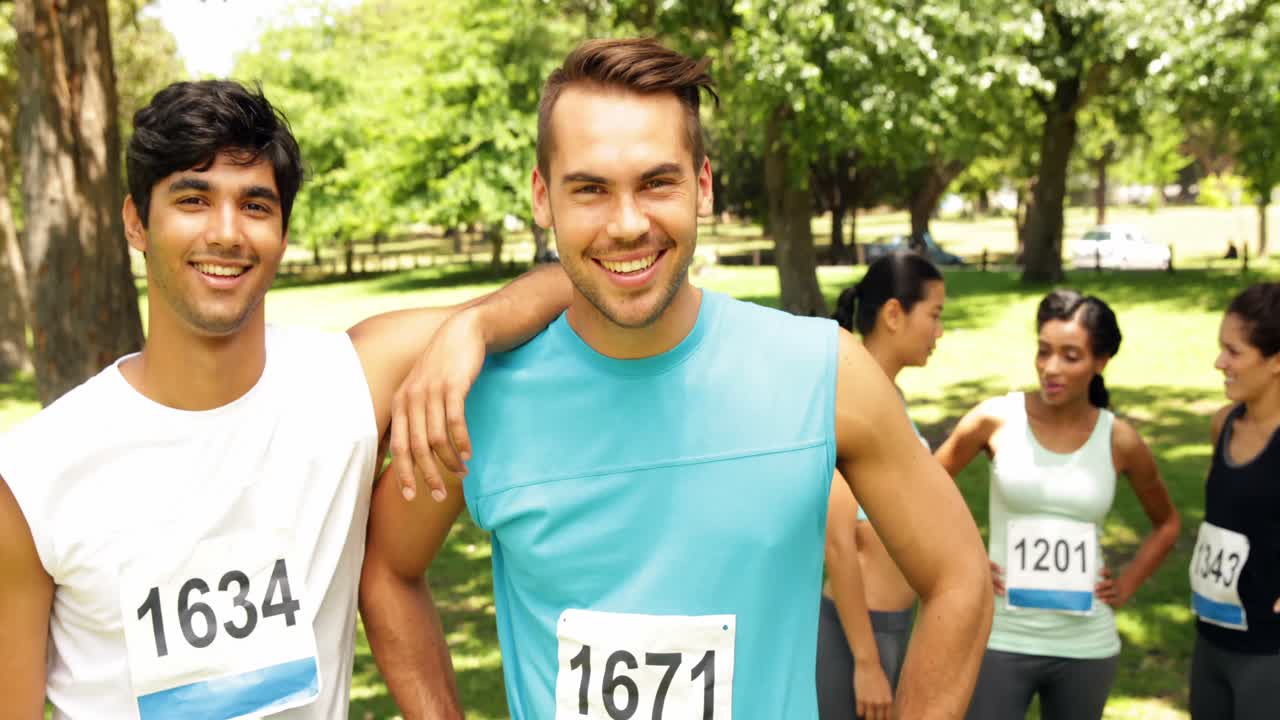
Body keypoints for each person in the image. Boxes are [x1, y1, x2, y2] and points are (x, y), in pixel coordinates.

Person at [360, 38, 992, 720]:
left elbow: (959, 579)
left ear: (704, 186)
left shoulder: (825, 371)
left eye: (657, 183)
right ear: (543, 199)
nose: (628, 224)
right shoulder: (480, 396)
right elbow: (390, 572)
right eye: (591, 189)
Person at [0, 80, 570, 719]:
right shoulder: (33, 476)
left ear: (283, 230)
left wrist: (474, 326)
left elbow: (568, 280)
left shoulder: (347, 386)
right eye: (192, 199)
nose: (226, 233)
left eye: (255, 205)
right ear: (137, 220)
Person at [934, 289, 1180, 720]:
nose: (1050, 368)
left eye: (1070, 356)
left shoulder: (1119, 438)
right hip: (1000, 637)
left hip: (1086, 644)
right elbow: (921, 491)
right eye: (1043, 351)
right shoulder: (996, 418)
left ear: (1100, 363)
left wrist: (1126, 584)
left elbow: (1167, 524)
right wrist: (963, 556)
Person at [818, 252, 945, 720]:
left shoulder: (888, 396)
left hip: (888, 627)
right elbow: (838, 540)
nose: (939, 332)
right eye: (934, 315)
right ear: (895, 314)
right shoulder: (849, 396)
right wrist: (867, 662)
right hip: (855, 636)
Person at [1189, 282, 1280, 720]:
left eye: (1234, 351)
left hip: (1269, 654)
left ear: (1277, 360)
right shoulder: (1222, 424)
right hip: (1211, 639)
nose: (1218, 363)